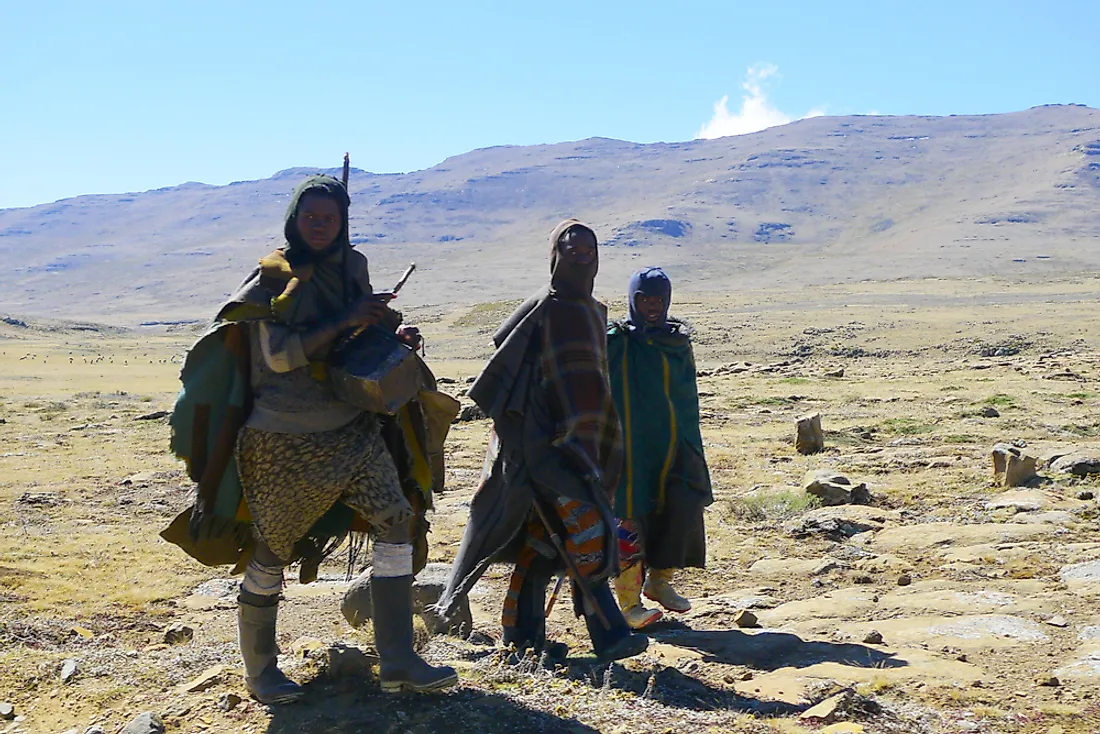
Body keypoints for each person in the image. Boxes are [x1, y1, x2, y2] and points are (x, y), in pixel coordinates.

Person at [162, 175, 457, 703]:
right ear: (293, 220)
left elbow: (350, 342)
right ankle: (260, 670)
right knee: (273, 550)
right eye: (310, 217)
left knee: (395, 521)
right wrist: (347, 317)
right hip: (284, 440)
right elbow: (278, 356)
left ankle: (397, 658)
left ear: (344, 222)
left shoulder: (353, 268)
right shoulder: (274, 278)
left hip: (352, 430)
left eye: (330, 217)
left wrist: (386, 336)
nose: (320, 226)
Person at [435, 220, 648, 663]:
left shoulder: (595, 311)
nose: (581, 255)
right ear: (555, 254)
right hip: (540, 444)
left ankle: (521, 634)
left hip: (585, 441)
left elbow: (592, 380)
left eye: (589, 249)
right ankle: (609, 633)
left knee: (542, 540)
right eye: (571, 249)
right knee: (588, 533)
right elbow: (506, 373)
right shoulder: (541, 309)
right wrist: (532, 436)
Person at [606, 267, 712, 629]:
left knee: (680, 506)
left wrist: (689, 441)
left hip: (674, 443)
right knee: (630, 517)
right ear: (633, 300)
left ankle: (660, 581)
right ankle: (629, 603)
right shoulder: (615, 341)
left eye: (658, 300)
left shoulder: (677, 342)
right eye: (644, 299)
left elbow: (685, 397)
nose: (652, 307)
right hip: (631, 448)